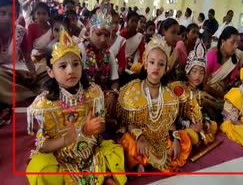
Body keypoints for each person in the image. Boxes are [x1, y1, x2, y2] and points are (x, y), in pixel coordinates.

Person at [26, 30, 127, 185]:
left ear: (82, 65)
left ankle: (104, 175)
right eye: (63, 66)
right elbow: (43, 146)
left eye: (75, 64)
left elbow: (101, 127)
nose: (70, 70)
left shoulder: (94, 93)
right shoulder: (43, 105)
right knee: (40, 171)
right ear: (50, 72)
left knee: (116, 153)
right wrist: (65, 140)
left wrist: (91, 129)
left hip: (90, 152)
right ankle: (102, 177)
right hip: (60, 158)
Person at [117, 36, 192, 173]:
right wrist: (140, 137)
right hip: (139, 135)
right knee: (128, 142)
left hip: (160, 135)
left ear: (166, 68)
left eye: (161, 64)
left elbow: (169, 122)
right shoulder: (132, 89)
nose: (156, 67)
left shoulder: (168, 94)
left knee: (183, 139)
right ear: (145, 64)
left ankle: (143, 161)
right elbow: (129, 122)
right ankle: (138, 161)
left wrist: (175, 137)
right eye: (152, 62)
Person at [169, 41, 217, 146]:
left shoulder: (198, 92)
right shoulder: (179, 88)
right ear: (188, 71)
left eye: (201, 72)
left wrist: (206, 121)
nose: (198, 76)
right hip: (180, 125)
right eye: (194, 71)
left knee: (212, 125)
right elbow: (174, 117)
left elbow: (200, 111)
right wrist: (190, 125)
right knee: (194, 137)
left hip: (196, 123)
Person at [79, 10, 120, 124]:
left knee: (119, 101)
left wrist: (113, 93)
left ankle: (103, 120)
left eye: (106, 35)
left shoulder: (108, 53)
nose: (102, 39)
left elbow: (115, 80)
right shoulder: (80, 49)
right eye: (98, 34)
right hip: (83, 94)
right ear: (90, 32)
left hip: (102, 94)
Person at [204, 26, 243, 122]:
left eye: (237, 43)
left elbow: (231, 84)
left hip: (222, 96)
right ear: (223, 41)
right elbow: (203, 86)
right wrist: (223, 95)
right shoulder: (212, 56)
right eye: (232, 42)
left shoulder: (234, 60)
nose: (236, 46)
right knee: (202, 100)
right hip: (209, 93)